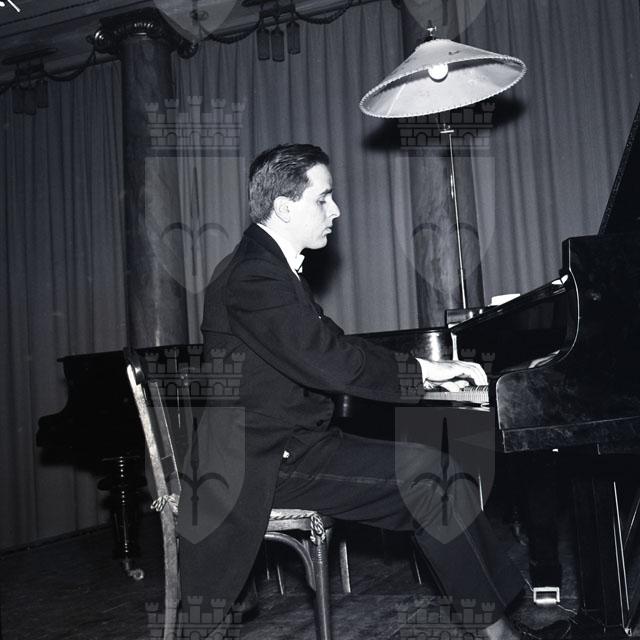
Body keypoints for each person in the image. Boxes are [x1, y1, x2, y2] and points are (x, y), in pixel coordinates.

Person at [177, 144, 562, 640]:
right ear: (285, 207)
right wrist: (425, 374)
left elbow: (337, 347)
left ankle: (498, 624)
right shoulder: (254, 276)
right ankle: (499, 633)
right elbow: (331, 361)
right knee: (432, 479)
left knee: (440, 473)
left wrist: (431, 370)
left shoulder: (268, 267)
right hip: (262, 461)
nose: (336, 210)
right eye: (323, 198)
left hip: (295, 445)